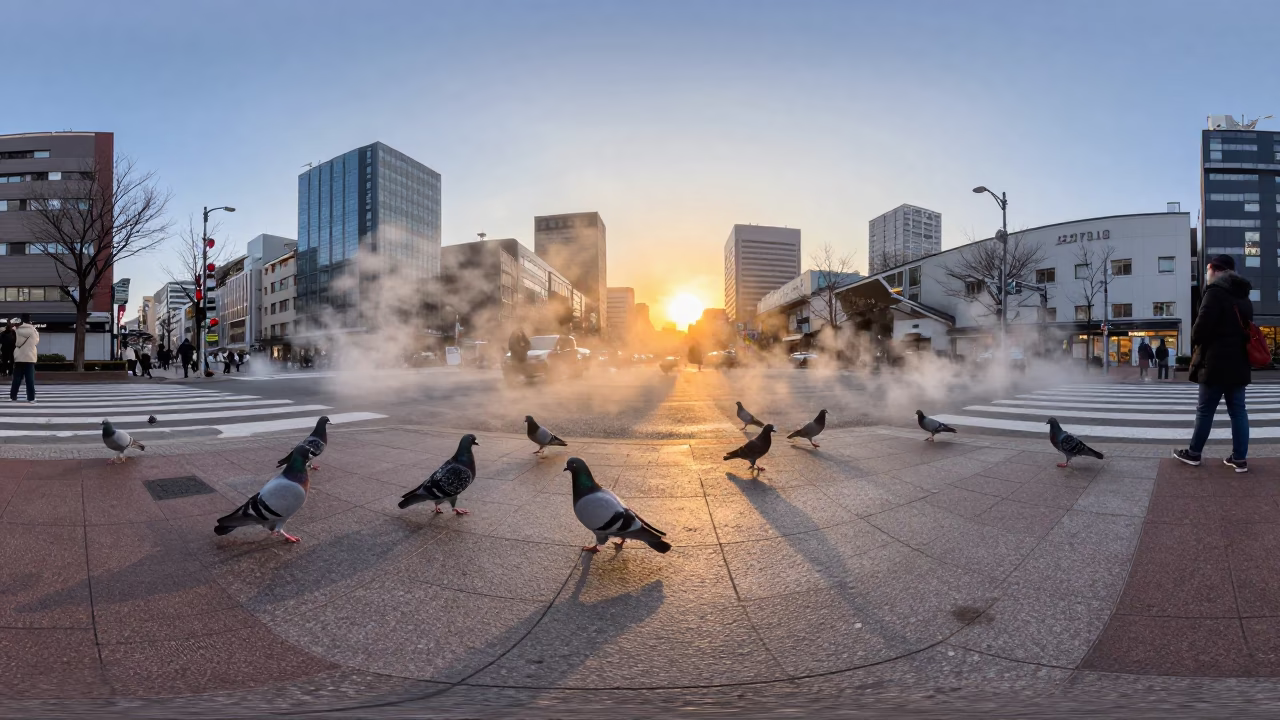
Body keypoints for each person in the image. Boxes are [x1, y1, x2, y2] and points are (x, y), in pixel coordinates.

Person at [1174, 254, 1252, 473]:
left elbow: (1200, 330)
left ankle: (1194, 453)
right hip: (1239, 363)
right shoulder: (1244, 297)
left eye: (1209, 268)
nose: (1207, 272)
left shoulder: (1215, 293)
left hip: (1215, 364)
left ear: (1217, 271)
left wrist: (1197, 342)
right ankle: (1239, 458)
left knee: (1205, 411)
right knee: (1238, 411)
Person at [10, 314, 38, 404]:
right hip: (30, 357)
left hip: (19, 356)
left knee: (17, 378)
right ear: (30, 320)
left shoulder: (17, 329)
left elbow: (12, 339)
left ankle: (13, 396)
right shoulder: (33, 330)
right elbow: (36, 342)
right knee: (29, 379)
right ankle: (31, 398)